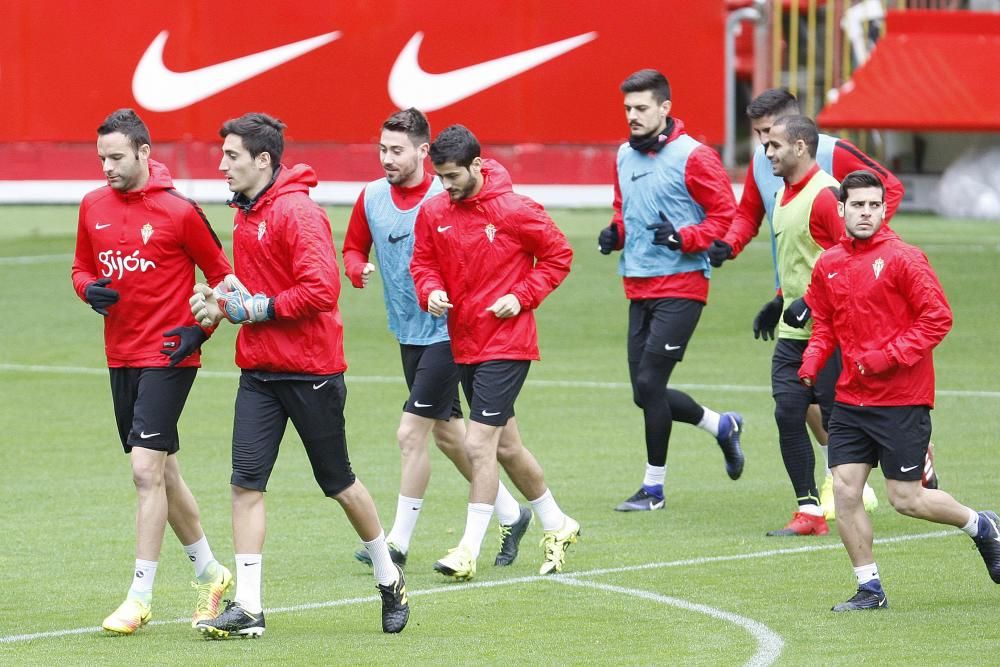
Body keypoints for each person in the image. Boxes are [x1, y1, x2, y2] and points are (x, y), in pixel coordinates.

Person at [188, 113, 408, 637]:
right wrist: (223, 303)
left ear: (263, 160)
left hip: (311, 371)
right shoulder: (247, 213)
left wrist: (256, 309)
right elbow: (256, 290)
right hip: (259, 372)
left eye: (232, 157)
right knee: (245, 484)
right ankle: (249, 608)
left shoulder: (297, 212)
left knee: (339, 483)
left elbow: (321, 290)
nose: (222, 166)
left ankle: (388, 574)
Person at [709, 88, 936, 517]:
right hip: (800, 312)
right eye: (758, 136)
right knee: (795, 405)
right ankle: (815, 506)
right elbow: (752, 216)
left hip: (841, 312)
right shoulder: (773, 175)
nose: (761, 147)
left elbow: (881, 199)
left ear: (793, 132)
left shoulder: (832, 166)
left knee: (848, 409)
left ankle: (907, 457)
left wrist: (870, 244)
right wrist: (736, 253)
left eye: (767, 136)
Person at [798, 169, 1000, 610]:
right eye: (858, 205)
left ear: (883, 209)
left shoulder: (905, 258)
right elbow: (825, 324)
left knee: (906, 499)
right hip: (851, 399)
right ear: (842, 209)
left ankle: (981, 525)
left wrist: (886, 356)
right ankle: (869, 588)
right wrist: (812, 363)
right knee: (846, 491)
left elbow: (937, 318)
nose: (866, 212)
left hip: (902, 399)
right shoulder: (829, 263)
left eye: (873, 205)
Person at [342, 108, 531, 569]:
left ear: (424, 152)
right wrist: (356, 269)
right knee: (451, 436)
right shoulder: (370, 197)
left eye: (397, 150)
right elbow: (352, 246)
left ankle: (398, 543)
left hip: (451, 332)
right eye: (382, 149)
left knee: (411, 433)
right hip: (407, 331)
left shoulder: (447, 192)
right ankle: (513, 512)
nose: (386, 158)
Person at [70, 108, 234, 634]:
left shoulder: (180, 212)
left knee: (145, 470)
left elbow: (224, 277)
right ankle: (211, 570)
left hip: (168, 355)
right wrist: (86, 289)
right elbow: (81, 267)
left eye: (116, 157)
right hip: (119, 355)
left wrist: (201, 329)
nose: (107, 168)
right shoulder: (91, 205)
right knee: (164, 470)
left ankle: (139, 597)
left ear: (144, 153)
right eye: (101, 158)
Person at [410, 124, 580, 580]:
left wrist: (523, 296)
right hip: (464, 342)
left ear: (477, 166)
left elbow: (559, 255)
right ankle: (558, 523)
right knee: (507, 447)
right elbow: (422, 263)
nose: (445, 186)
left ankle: (467, 550)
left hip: (507, 343)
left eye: (452, 177)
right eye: (440, 178)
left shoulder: (516, 210)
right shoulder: (433, 213)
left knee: (478, 442)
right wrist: (430, 291)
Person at [596, 69, 745, 512]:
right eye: (627, 109)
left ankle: (653, 489)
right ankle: (721, 426)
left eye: (641, 108)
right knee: (646, 393)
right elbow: (625, 209)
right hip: (637, 285)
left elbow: (727, 216)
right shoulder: (624, 154)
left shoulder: (695, 156)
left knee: (649, 381)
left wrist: (685, 237)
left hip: (683, 285)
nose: (632, 116)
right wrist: (615, 233)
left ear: (665, 108)